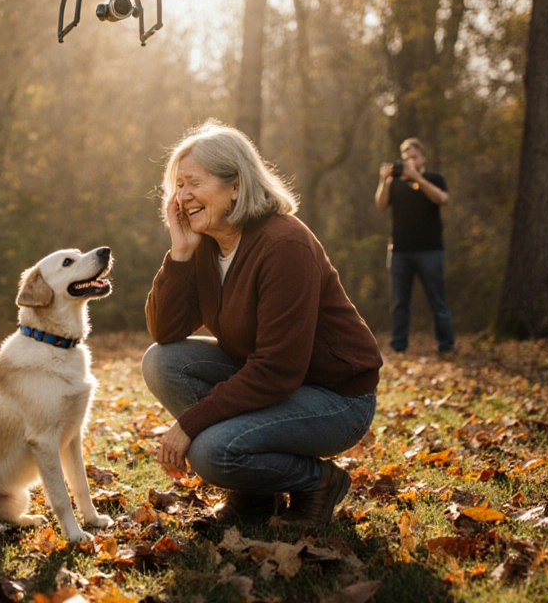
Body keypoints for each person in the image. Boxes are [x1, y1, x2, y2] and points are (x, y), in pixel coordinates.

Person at [142, 121, 382, 526]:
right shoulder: (206, 244)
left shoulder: (283, 245)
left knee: (211, 451)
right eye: (177, 185)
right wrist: (180, 253)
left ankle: (318, 482)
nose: (182, 197)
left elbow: (277, 369)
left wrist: (191, 423)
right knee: (162, 361)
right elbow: (165, 332)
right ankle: (255, 498)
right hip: (282, 381)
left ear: (235, 185)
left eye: (193, 183)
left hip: (337, 398)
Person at [374, 137, 455, 355]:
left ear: (423, 158)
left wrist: (417, 177)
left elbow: (441, 199)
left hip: (430, 250)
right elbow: (380, 205)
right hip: (399, 251)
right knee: (399, 302)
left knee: (437, 299)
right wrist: (385, 180)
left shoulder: (433, 178)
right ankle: (399, 346)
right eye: (405, 157)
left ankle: (446, 345)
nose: (409, 161)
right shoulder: (395, 183)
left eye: (414, 156)